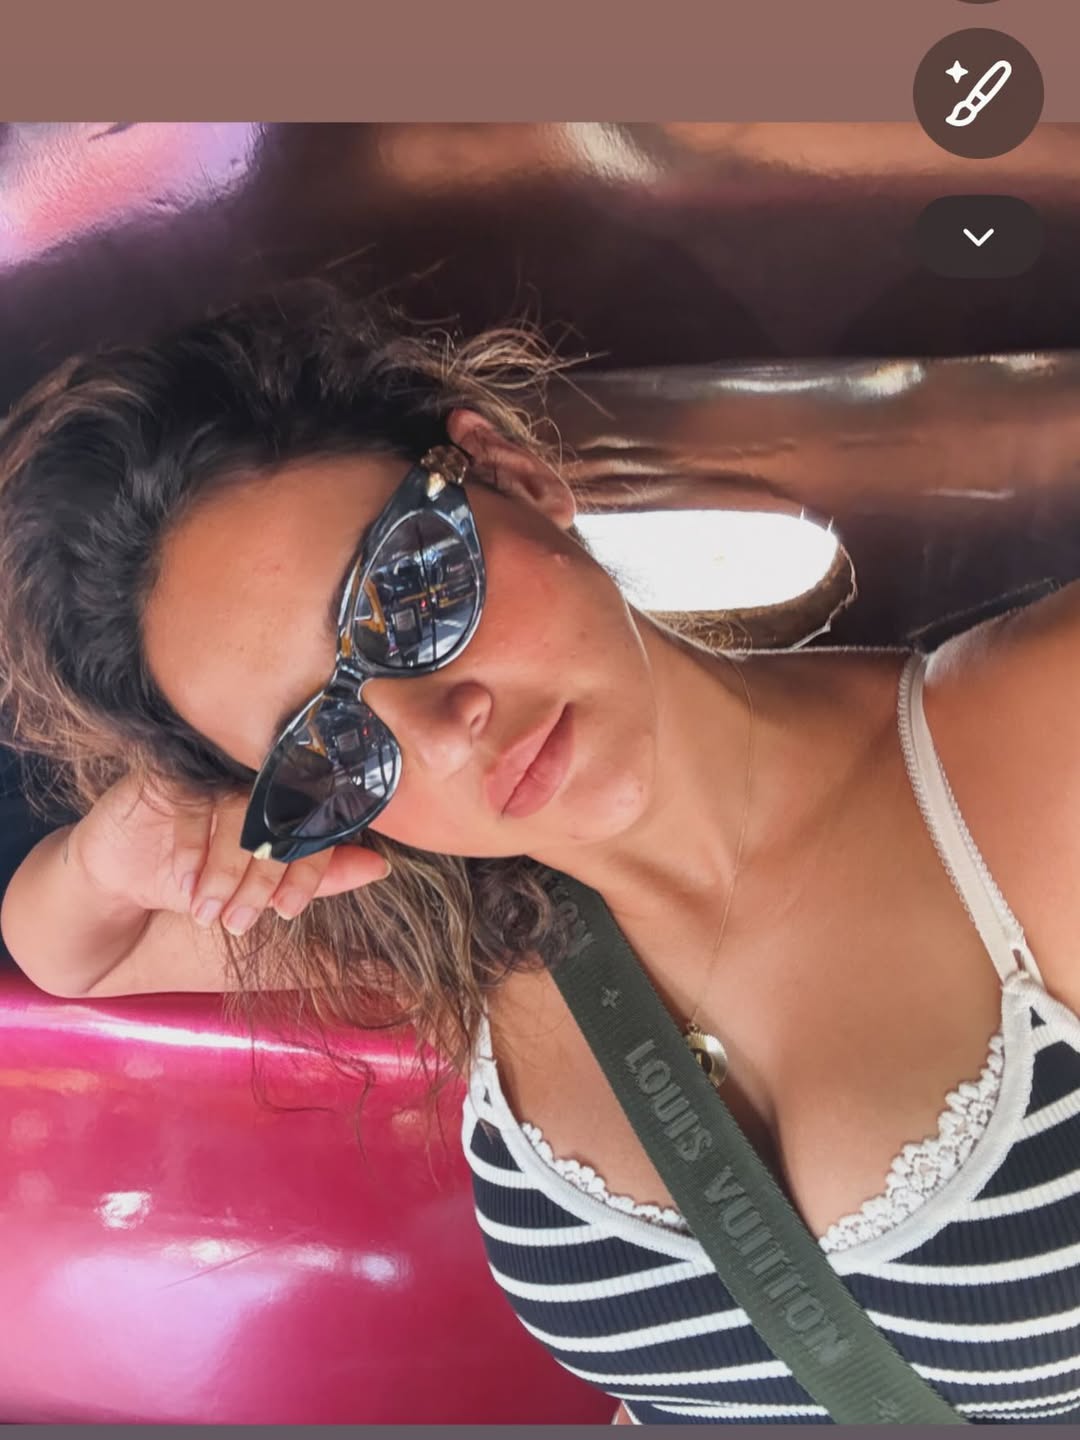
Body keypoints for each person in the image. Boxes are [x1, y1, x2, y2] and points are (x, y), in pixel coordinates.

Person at [1, 280, 1079, 1426]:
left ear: (511, 475)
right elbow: (75, 954)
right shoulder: (465, 934)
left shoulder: (1034, 741)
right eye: (319, 741)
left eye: (409, 592)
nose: (439, 732)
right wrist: (116, 853)